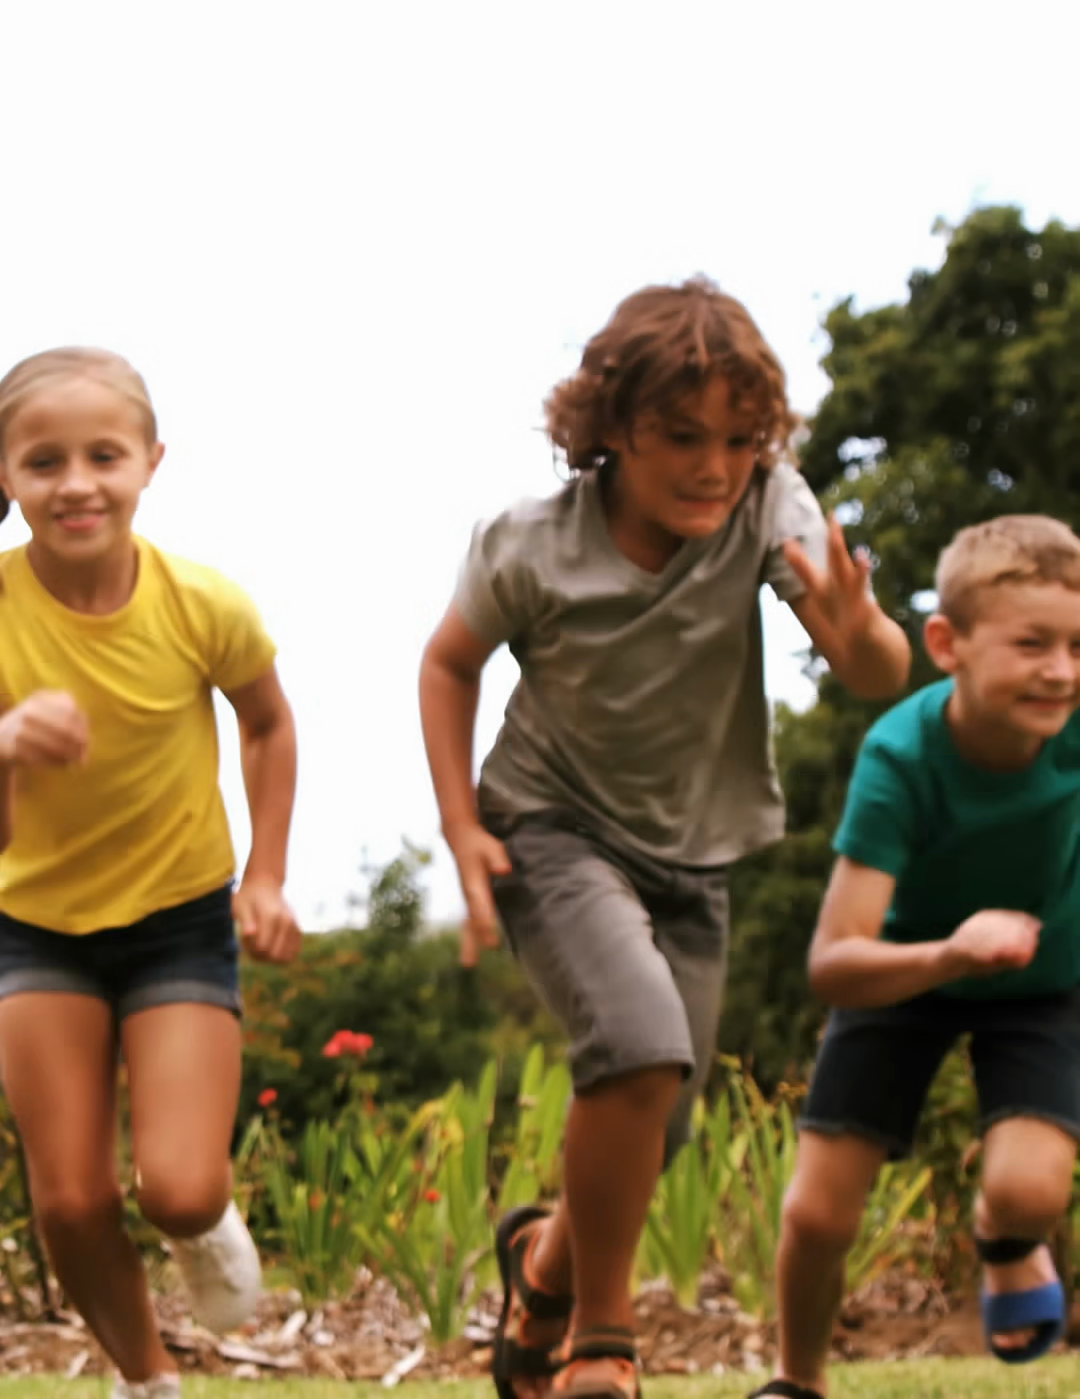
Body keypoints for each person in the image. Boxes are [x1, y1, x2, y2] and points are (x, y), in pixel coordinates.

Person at [418, 278, 911, 1399]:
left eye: (739, 441)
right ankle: (602, 1339)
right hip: (550, 826)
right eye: (682, 437)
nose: (714, 467)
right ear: (611, 425)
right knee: (640, 1048)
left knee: (660, 1120)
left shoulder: (767, 506)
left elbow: (877, 671)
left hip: (697, 851)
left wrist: (858, 630)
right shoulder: (531, 545)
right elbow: (448, 663)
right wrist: (459, 826)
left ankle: (541, 1267)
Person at [0, 346, 301, 1399]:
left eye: (103, 456)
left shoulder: (201, 603)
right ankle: (148, 1380)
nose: (75, 483)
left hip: (178, 918)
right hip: (34, 927)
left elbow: (268, 725)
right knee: (70, 1202)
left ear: (150, 463)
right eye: (43, 461)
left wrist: (265, 877)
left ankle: (201, 1220)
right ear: (6, 475)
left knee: (176, 1187)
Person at [759, 513, 1080, 1399]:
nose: (1061, 670)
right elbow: (833, 962)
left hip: (1043, 981)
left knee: (1030, 1190)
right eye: (1032, 644)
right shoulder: (901, 757)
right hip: (902, 971)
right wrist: (951, 953)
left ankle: (1004, 1238)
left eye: (1078, 647)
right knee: (818, 1213)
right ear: (948, 645)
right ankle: (798, 1380)